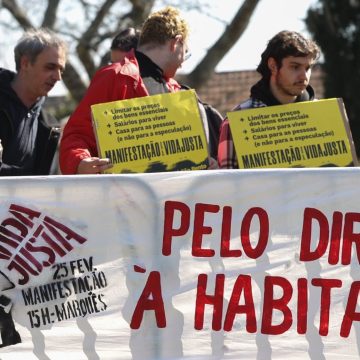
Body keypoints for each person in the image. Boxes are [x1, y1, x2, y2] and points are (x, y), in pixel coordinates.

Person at [59, 6, 200, 174]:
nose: (183, 62)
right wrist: (80, 162)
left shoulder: (178, 93)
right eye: (185, 52)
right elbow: (76, 135)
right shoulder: (114, 76)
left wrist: (207, 164)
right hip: (119, 195)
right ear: (175, 43)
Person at [217, 30, 321, 169]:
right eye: (295, 67)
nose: (304, 76)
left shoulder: (325, 115)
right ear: (273, 65)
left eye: (308, 68)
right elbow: (226, 183)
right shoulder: (237, 120)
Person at [0, 28, 67, 176]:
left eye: (61, 70)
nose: (58, 77)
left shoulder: (49, 125)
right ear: (25, 63)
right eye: (50, 67)